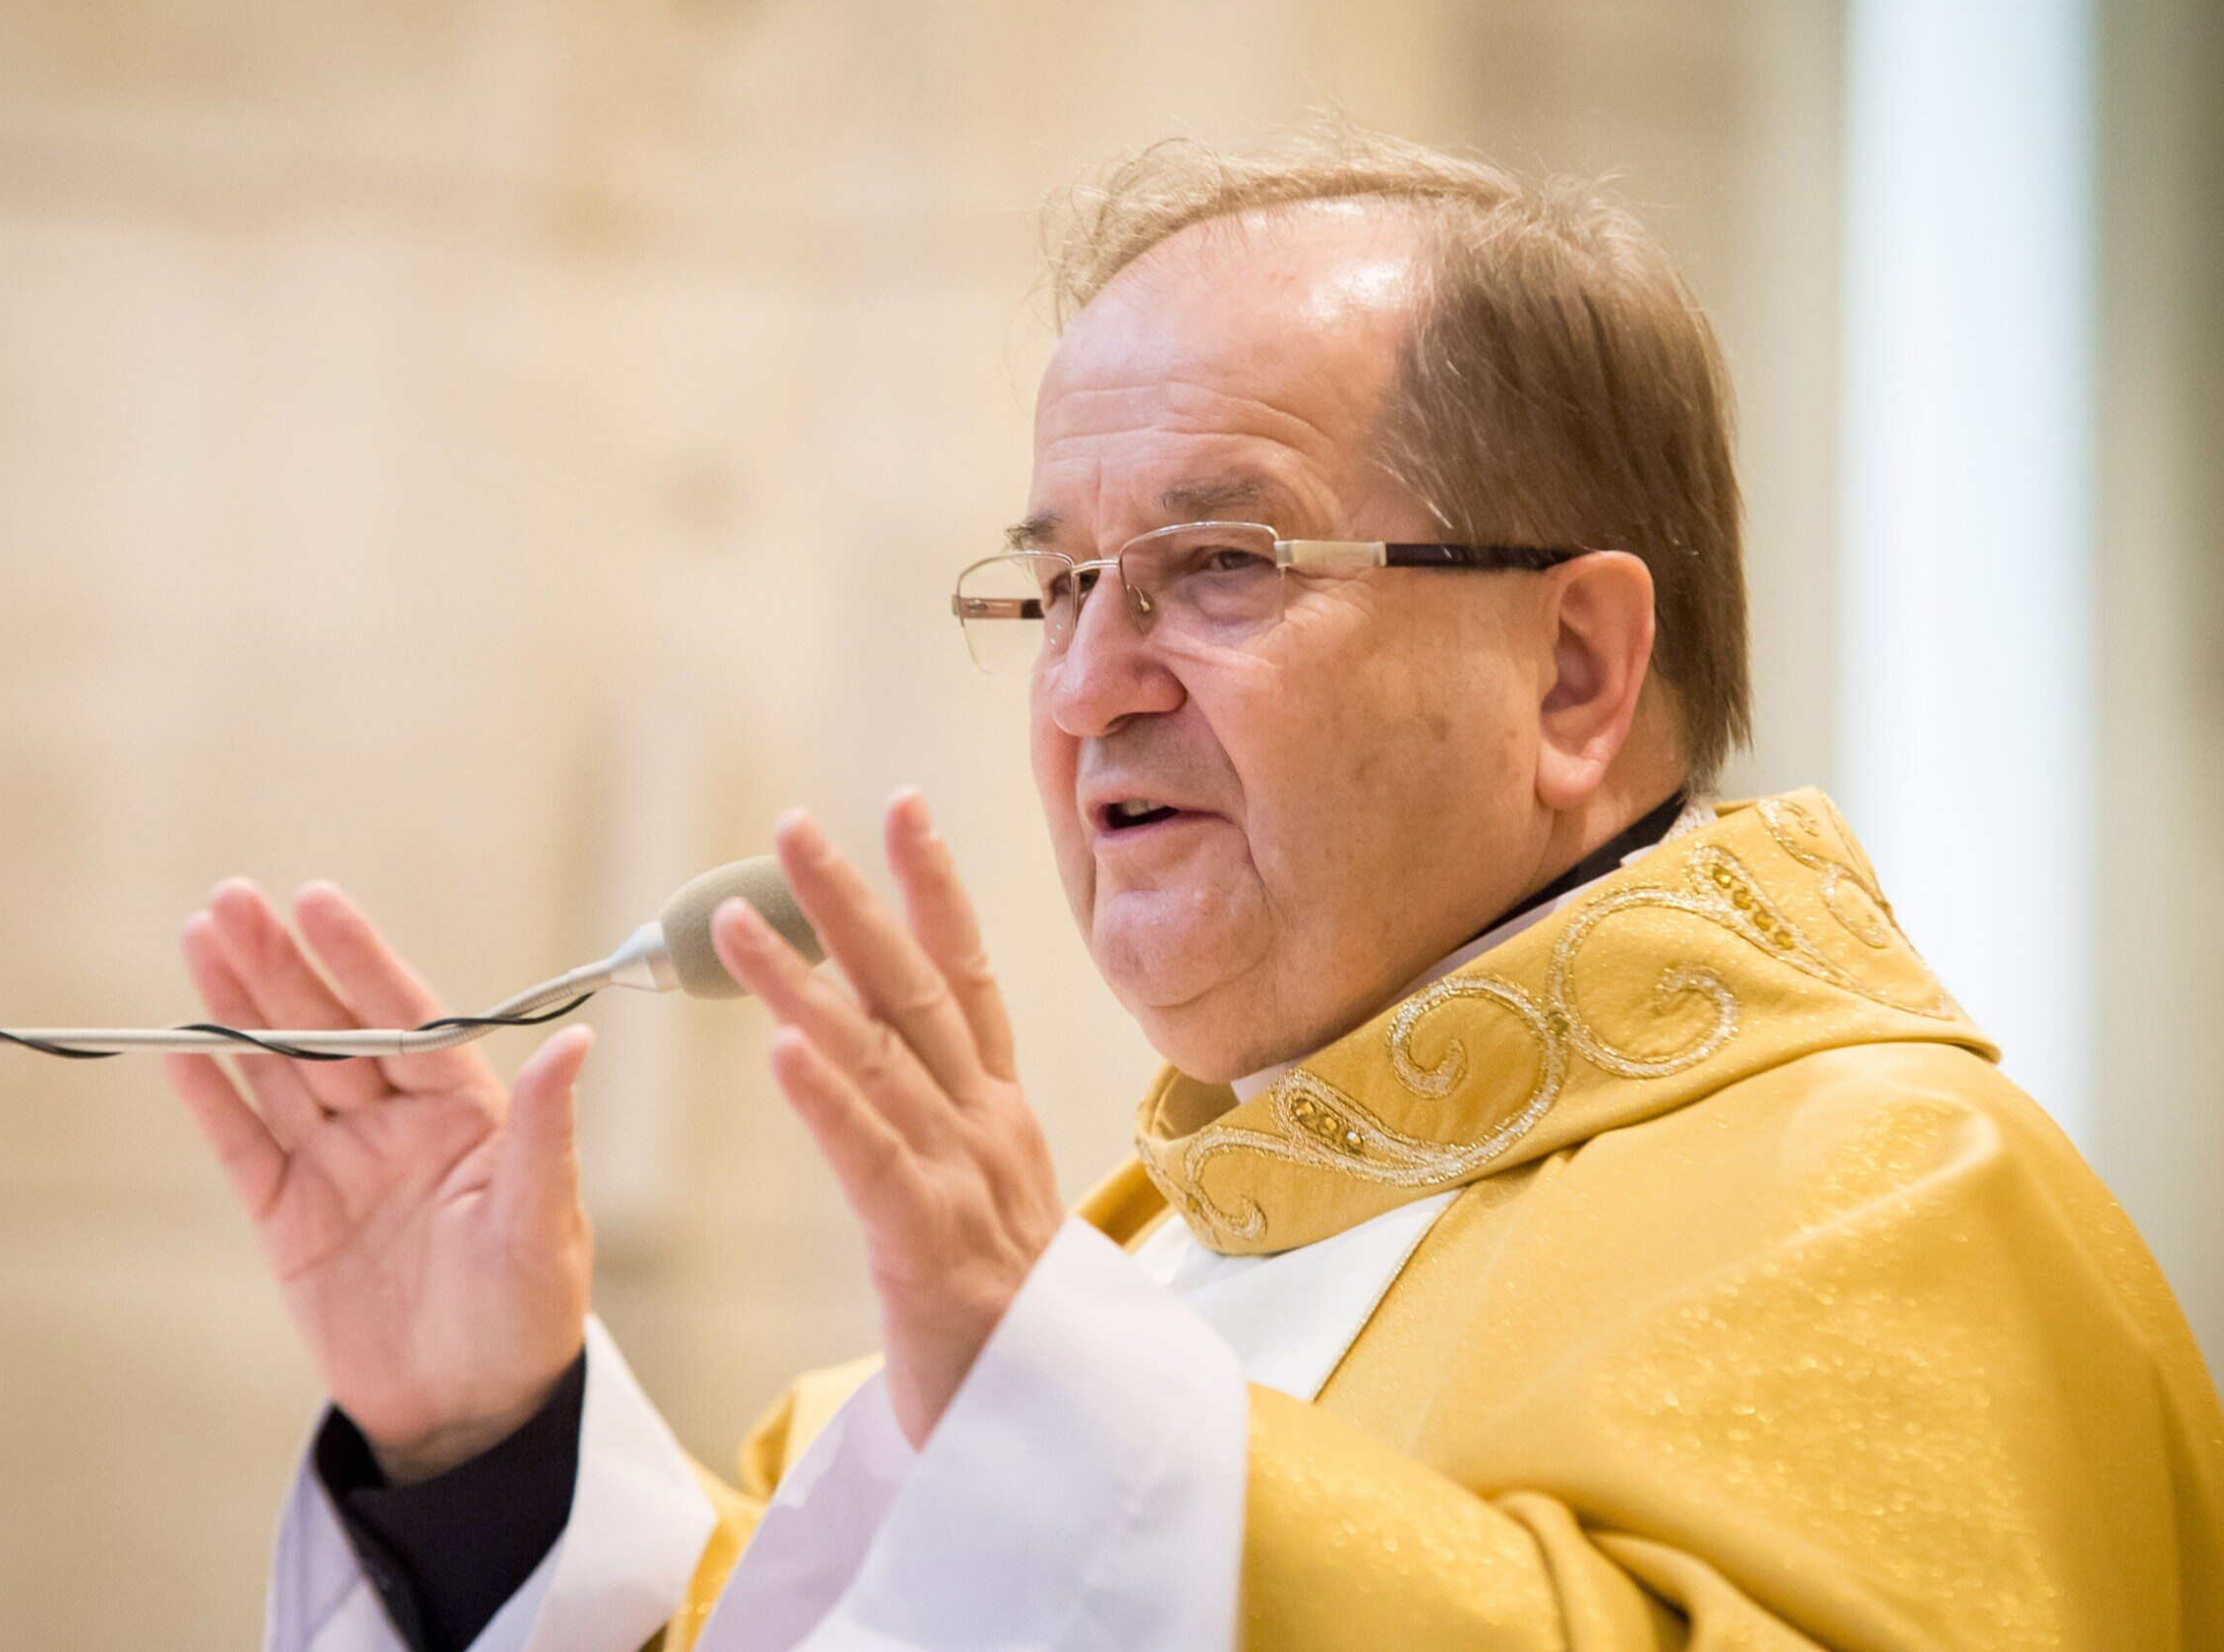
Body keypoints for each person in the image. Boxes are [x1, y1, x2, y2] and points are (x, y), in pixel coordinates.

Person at [168, 126, 2224, 1652]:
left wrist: (1069, 1412)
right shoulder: (1149, 1265)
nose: (1084, 683)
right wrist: (491, 1448)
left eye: (1220, 561)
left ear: (1575, 672)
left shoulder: (1892, 1191)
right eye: (1060, 580)